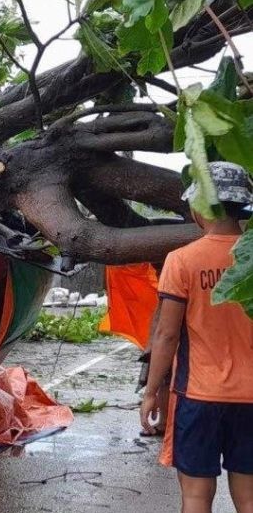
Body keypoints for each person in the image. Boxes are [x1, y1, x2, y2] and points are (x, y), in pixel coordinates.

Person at [141, 161, 253, 513]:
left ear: (199, 206)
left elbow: (167, 334)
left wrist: (151, 392)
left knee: (195, 498)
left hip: (198, 397)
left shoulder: (182, 261)